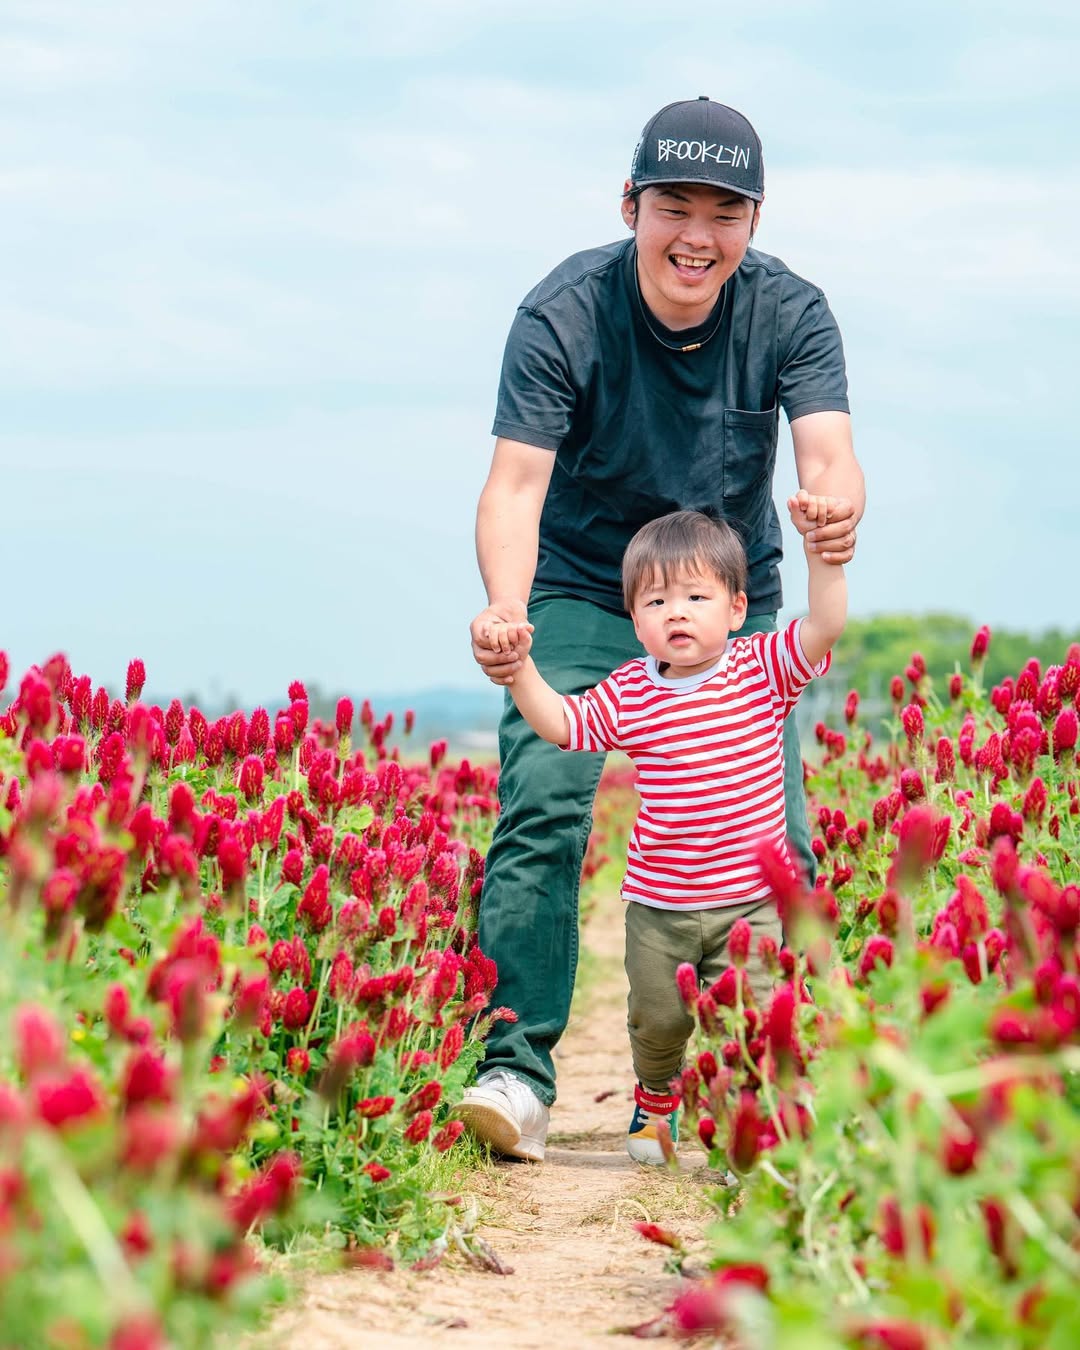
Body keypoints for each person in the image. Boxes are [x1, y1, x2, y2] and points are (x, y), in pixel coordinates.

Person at [458, 96, 865, 1163]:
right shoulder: (565, 313)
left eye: (724, 213)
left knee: (776, 831)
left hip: (733, 592)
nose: (698, 234)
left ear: (756, 218)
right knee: (544, 801)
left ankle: (775, 1072)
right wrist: (509, 612)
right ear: (629, 204)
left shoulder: (792, 312)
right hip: (589, 584)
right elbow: (513, 487)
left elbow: (827, 454)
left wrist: (834, 511)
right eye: (672, 207)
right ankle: (515, 1068)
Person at [471, 502, 845, 1163]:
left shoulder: (763, 669)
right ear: (634, 620)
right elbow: (561, 723)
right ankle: (657, 1095)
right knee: (657, 1020)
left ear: (736, 607)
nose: (676, 612)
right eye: (656, 600)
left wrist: (824, 556)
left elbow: (824, 624)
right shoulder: (631, 692)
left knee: (755, 1021)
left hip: (751, 903)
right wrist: (521, 671)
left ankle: (751, 1132)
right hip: (661, 905)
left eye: (696, 596)